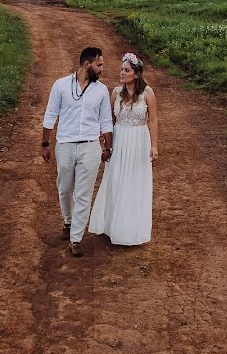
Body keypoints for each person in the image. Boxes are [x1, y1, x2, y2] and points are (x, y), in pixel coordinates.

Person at [41, 47, 113, 257]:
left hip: (90, 146)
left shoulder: (101, 90)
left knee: (83, 194)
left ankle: (76, 238)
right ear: (86, 64)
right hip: (64, 145)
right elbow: (50, 115)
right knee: (64, 189)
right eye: (99, 65)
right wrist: (45, 144)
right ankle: (68, 222)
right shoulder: (61, 85)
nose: (101, 69)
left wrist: (108, 147)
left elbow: (106, 121)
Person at [88, 52, 157, 246]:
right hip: (119, 138)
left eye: (126, 70)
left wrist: (154, 145)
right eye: (121, 69)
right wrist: (105, 141)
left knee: (134, 182)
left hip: (138, 140)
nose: (122, 73)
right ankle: (111, 225)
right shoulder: (116, 92)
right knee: (116, 178)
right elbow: (108, 119)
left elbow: (153, 120)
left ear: (136, 73)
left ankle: (130, 228)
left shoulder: (147, 93)